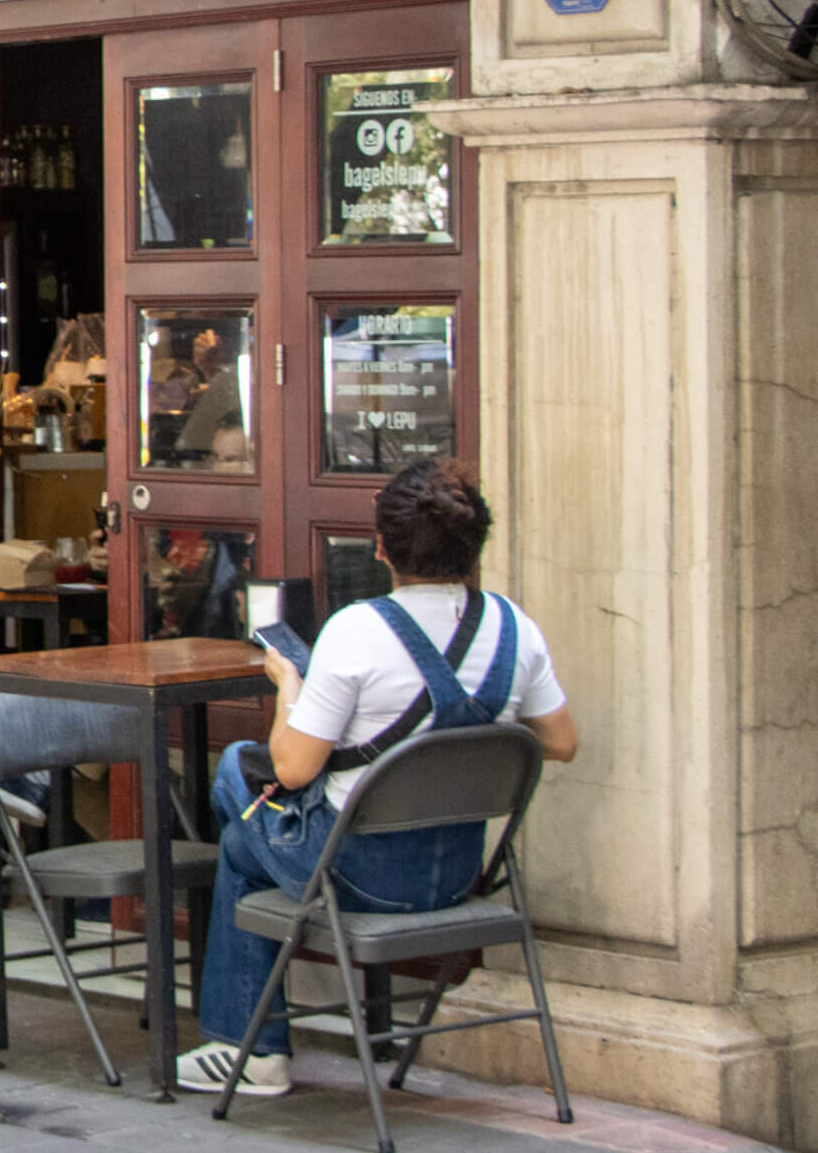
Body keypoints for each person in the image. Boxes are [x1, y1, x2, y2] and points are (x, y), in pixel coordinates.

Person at [176, 457, 579, 1097]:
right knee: (240, 845)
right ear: (474, 547)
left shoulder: (357, 632)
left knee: (236, 775)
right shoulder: (514, 628)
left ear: (383, 548)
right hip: (455, 875)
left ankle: (251, 1050)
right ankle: (249, 1047)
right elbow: (560, 742)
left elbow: (291, 766)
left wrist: (291, 689)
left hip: (355, 875)